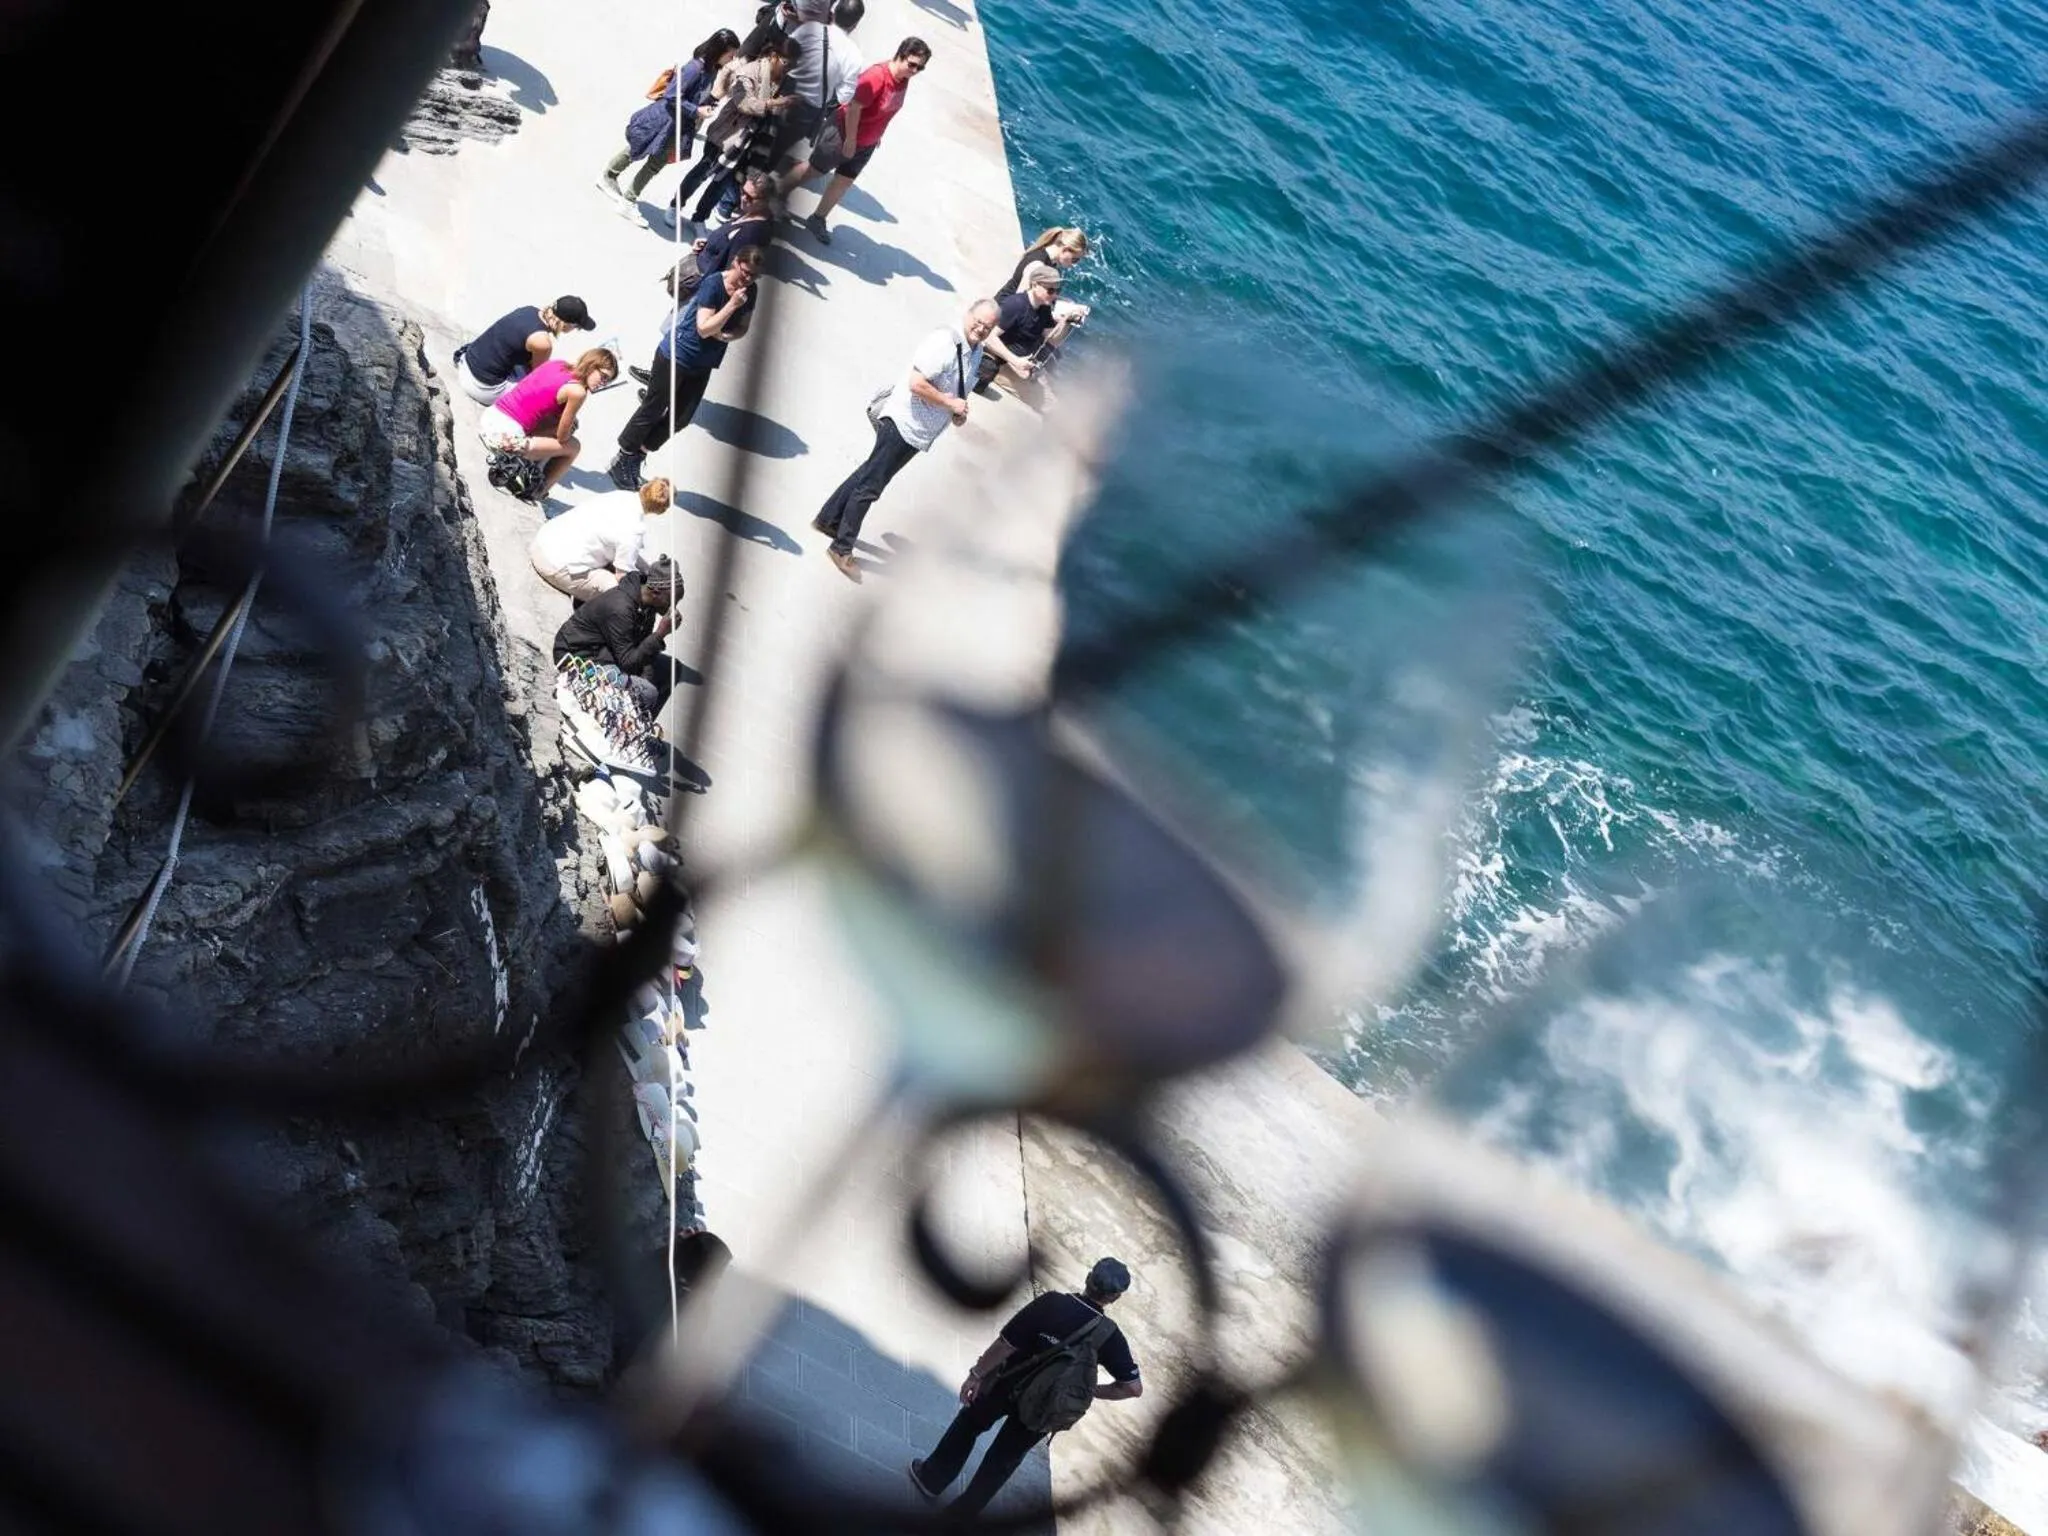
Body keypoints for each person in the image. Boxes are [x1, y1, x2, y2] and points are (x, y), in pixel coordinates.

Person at [908, 1258, 1142, 1516]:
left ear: (1088, 1278)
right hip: (1044, 1409)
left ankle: (931, 1479)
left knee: (969, 1424)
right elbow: (1132, 1388)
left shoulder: (1052, 1303)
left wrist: (976, 1375)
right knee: (1002, 1461)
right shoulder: (1109, 1336)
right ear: (1116, 1297)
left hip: (1006, 1384)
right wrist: (1092, 1390)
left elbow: (1006, 1344)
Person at [812, 299, 996, 583]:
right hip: (902, 423)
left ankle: (828, 519)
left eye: (988, 326)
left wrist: (957, 411)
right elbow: (917, 383)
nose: (981, 328)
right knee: (871, 487)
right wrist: (949, 403)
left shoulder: (976, 352)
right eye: (978, 321)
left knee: (869, 472)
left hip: (918, 431)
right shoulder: (944, 343)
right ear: (968, 314)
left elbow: (958, 393)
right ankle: (841, 548)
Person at [609, 246, 764, 491]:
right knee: (653, 407)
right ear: (735, 262)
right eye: (745, 272)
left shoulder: (750, 291)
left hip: (703, 362)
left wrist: (728, 335)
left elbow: (743, 327)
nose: (747, 279)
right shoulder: (715, 285)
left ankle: (638, 453)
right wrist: (732, 305)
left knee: (680, 418)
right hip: (677, 355)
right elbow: (704, 328)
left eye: (753, 276)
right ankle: (623, 456)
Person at [633, 178, 777, 388]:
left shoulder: (754, 231)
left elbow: (733, 270)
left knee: (676, 339)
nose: (743, 198)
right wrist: (707, 246)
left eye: (750, 197)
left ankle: (659, 388)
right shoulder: (749, 214)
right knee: (672, 333)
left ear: (765, 201)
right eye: (742, 191)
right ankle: (658, 380)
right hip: (702, 283)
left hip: (704, 293)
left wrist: (708, 294)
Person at [785, 37, 928, 245]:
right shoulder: (877, 76)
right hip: (842, 135)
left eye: (920, 68)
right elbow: (853, 107)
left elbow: (885, 112)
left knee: (843, 182)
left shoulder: (903, 80)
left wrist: (877, 135)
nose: (914, 71)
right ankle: (773, 194)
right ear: (901, 55)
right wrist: (850, 140)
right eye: (912, 64)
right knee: (813, 170)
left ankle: (818, 219)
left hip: (866, 143)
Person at [669, 35, 799, 231]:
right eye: (786, 63)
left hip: (747, 142)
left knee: (720, 185)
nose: (788, 69)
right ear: (773, 55)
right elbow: (744, 103)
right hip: (725, 135)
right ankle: (674, 206)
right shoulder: (748, 72)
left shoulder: (784, 81)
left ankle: (699, 218)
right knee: (701, 173)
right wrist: (774, 103)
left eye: (793, 66)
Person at [600, 30, 740, 205]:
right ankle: (608, 176)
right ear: (719, 50)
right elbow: (672, 95)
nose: (732, 59)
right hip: (664, 120)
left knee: (656, 163)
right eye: (730, 55)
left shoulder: (711, 70)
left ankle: (629, 199)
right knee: (638, 148)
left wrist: (708, 102)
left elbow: (695, 95)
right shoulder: (695, 68)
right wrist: (696, 110)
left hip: (678, 126)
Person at [477, 346, 618, 500]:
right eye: (603, 376)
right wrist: (569, 427)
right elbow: (562, 437)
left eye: (607, 381)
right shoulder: (577, 391)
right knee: (574, 447)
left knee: (559, 423)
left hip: (491, 417)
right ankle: (537, 492)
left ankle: (533, 468)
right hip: (503, 440)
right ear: (592, 365)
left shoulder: (558, 364)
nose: (603, 383)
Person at [552, 556, 680, 715]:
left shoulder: (647, 605)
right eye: (671, 600)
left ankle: (637, 722)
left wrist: (645, 673)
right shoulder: (621, 608)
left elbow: (640, 644)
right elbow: (628, 662)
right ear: (655, 592)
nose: (673, 607)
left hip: (608, 651)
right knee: (648, 693)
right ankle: (622, 725)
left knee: (671, 669)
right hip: (580, 659)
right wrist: (660, 634)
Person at [768, 0, 864, 196]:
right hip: (808, 109)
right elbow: (845, 95)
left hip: (783, 92)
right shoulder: (853, 55)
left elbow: (785, 55)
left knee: (759, 138)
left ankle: (730, 195)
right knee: (777, 151)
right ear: (856, 25)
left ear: (833, 13)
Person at [529, 478, 673, 601]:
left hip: (543, 540)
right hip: (553, 565)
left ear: (645, 487)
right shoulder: (634, 531)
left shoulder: (618, 495)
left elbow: (620, 545)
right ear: (660, 511)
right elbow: (622, 575)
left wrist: (645, 568)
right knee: (621, 594)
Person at [452, 296, 595, 404]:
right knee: (545, 397)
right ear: (565, 325)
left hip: (467, 362)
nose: (576, 330)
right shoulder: (542, 342)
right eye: (577, 327)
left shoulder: (529, 310)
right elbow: (537, 378)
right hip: (480, 386)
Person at [975, 261, 1079, 395]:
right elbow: (989, 337)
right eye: (1050, 290)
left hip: (1022, 364)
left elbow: (1051, 340)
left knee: (1056, 390)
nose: (1054, 295)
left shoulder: (1044, 308)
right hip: (1005, 363)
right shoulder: (1015, 305)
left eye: (1057, 291)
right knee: (1049, 405)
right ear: (1035, 284)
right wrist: (1015, 361)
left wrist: (1067, 321)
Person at [995, 226, 1091, 300]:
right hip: (1002, 312)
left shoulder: (1050, 262)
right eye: (1075, 259)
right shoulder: (1037, 265)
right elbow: (1019, 304)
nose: (1074, 264)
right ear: (1065, 250)